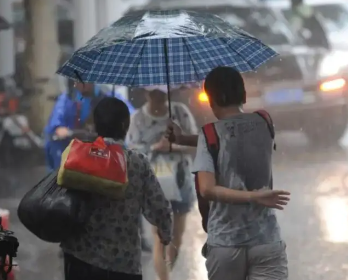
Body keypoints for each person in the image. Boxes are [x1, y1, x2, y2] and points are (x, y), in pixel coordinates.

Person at [166, 66, 291, 280]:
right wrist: (183, 138)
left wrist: (253, 196)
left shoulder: (209, 133)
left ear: (211, 99)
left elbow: (207, 189)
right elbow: (233, 139)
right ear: (243, 95)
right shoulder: (264, 122)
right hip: (266, 239)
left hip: (226, 243)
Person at [61, 97, 172, 280]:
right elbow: (159, 208)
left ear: (96, 125)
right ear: (124, 125)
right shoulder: (137, 162)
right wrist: (165, 233)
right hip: (122, 263)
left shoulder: (79, 157)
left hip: (79, 258)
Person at [126, 85, 198, 280]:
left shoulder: (179, 112)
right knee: (160, 238)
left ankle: (165, 274)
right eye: (154, 94)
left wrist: (174, 146)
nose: (158, 98)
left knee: (177, 238)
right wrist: (155, 147)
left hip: (181, 181)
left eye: (162, 94)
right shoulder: (138, 119)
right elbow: (131, 150)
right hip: (153, 185)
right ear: (145, 94)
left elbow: (196, 143)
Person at [44, 82, 135, 171]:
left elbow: (131, 115)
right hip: (74, 143)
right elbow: (57, 125)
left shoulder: (106, 95)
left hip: (102, 144)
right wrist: (64, 130)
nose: (83, 83)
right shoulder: (68, 98)